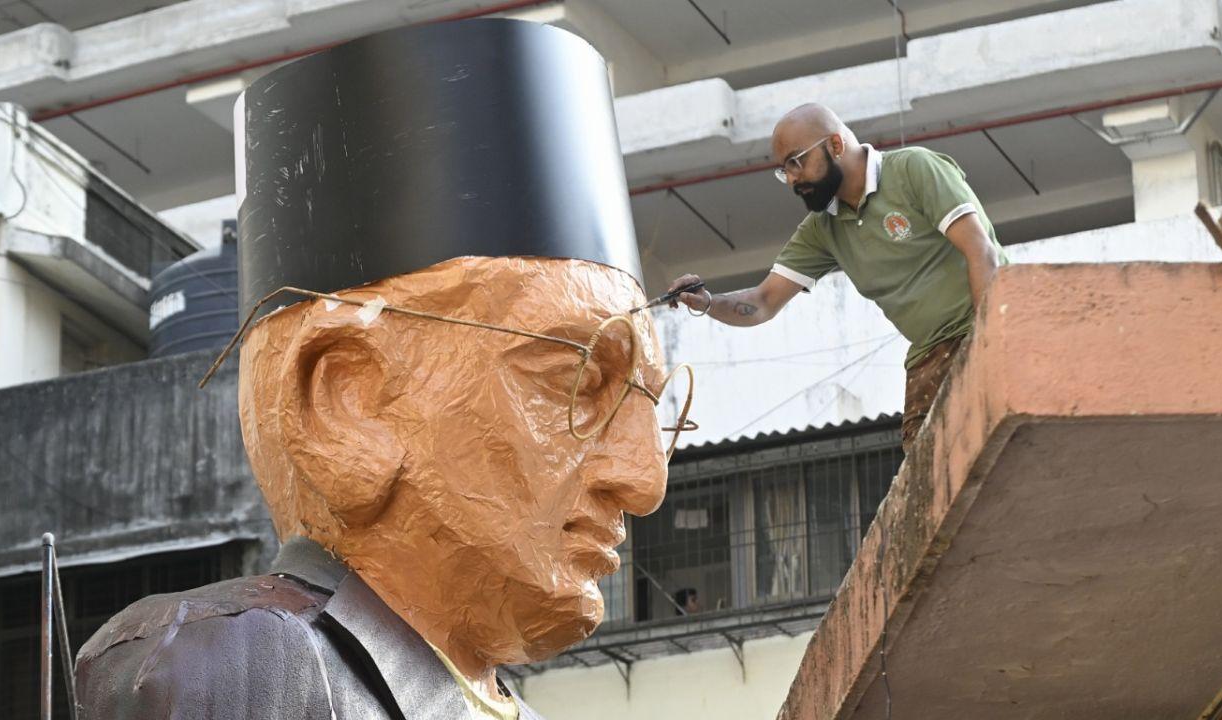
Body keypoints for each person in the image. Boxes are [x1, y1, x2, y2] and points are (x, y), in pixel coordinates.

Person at [75, 20, 687, 720]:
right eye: (574, 383)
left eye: (650, 406)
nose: (645, 478)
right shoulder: (241, 664)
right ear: (347, 401)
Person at [667, 103, 1009, 446]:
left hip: (985, 328)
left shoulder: (914, 169)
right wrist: (708, 302)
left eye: (795, 162)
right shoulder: (822, 228)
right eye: (783, 170)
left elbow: (981, 251)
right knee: (929, 479)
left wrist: (986, 346)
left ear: (835, 145)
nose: (791, 179)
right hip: (928, 356)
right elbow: (763, 301)